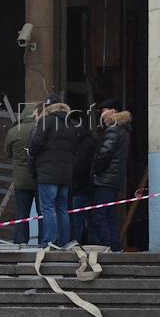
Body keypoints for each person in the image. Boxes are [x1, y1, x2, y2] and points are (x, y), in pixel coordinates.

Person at [27, 94, 77, 248]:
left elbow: (35, 144)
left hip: (48, 173)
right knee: (62, 209)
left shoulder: (46, 121)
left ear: (48, 108)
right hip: (65, 174)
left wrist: (31, 153)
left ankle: (48, 242)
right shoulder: (70, 124)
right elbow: (75, 149)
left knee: (48, 208)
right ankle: (64, 242)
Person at [90, 100, 131, 250]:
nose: (102, 114)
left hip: (106, 179)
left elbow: (105, 154)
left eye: (104, 110)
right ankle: (115, 246)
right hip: (114, 179)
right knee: (111, 215)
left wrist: (96, 170)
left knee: (99, 215)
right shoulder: (123, 129)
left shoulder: (113, 130)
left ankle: (106, 246)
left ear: (113, 111)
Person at [4, 104, 41, 244]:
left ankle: (20, 243)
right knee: (42, 214)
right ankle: (43, 243)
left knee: (22, 214)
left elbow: (7, 153)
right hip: (39, 177)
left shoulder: (13, 131)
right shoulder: (40, 130)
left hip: (21, 179)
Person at [70, 117, 99, 244]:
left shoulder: (83, 145)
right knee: (92, 220)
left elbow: (79, 166)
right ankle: (94, 244)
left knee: (78, 220)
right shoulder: (93, 142)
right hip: (93, 186)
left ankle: (76, 244)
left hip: (82, 187)